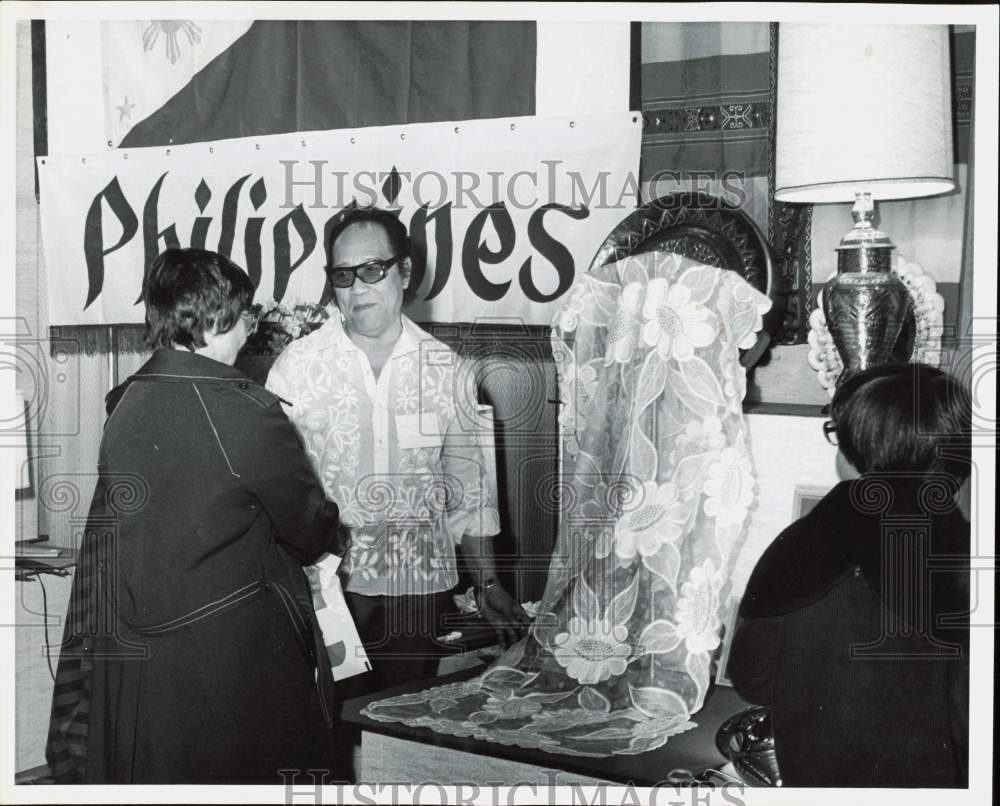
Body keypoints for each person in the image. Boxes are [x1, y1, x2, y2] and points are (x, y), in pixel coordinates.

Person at [46, 248, 341, 784]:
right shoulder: (245, 409)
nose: (251, 328)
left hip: (136, 661)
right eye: (245, 313)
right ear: (209, 321)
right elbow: (309, 529)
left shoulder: (125, 400)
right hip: (227, 663)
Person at [266, 206, 529, 699]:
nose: (357, 288)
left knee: (400, 727)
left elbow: (469, 490)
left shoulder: (446, 370)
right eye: (342, 275)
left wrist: (489, 584)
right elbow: (273, 489)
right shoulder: (297, 369)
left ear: (405, 272)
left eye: (372, 270)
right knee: (326, 732)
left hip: (418, 592)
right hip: (327, 591)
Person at [728, 363, 971, 787]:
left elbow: (752, 679)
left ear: (855, 448)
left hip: (818, 778)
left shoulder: (800, 545)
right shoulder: (969, 553)